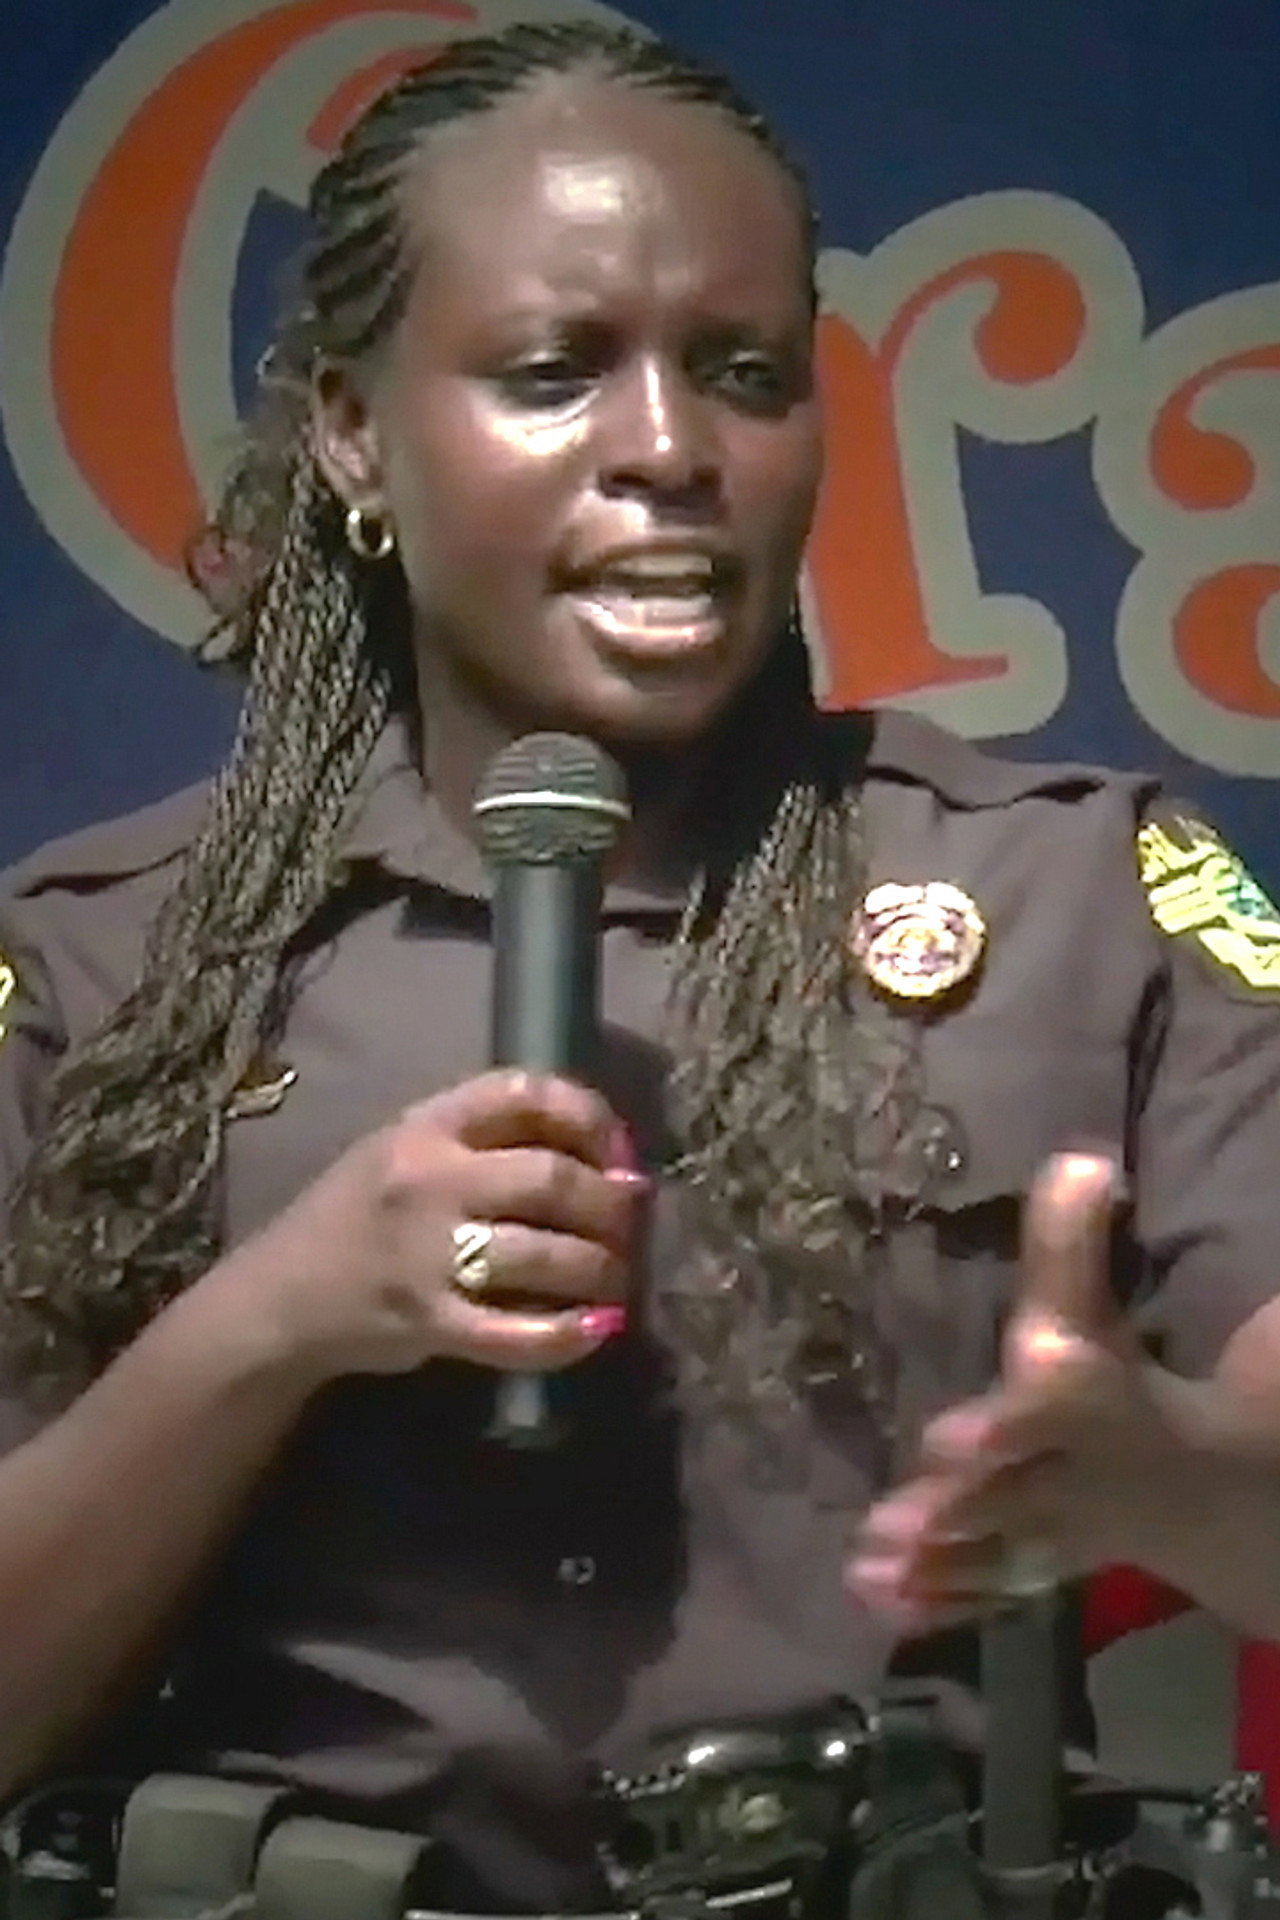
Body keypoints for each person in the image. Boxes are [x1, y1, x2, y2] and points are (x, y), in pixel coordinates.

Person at [1, 17, 1280, 1912]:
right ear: (352, 429)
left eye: (745, 373)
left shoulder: (1088, 889)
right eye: (554, 372)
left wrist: (1158, 1472)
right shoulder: (97, 960)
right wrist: (273, 1322)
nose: (670, 450)